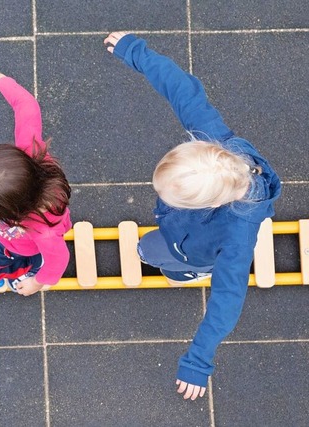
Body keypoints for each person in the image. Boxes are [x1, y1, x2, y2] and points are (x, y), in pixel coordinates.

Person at [104, 32, 281, 400]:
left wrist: (198, 362)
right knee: (148, 249)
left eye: (171, 197)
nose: (160, 197)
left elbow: (228, 298)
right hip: (182, 229)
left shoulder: (238, 233)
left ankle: (194, 269)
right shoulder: (213, 143)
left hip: (195, 248)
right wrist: (135, 52)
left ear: (207, 204)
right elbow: (183, 90)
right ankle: (179, 256)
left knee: (159, 258)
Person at [0, 63, 72, 296]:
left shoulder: (42, 231)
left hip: (17, 247)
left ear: (7, 211)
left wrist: (37, 283)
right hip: (11, 234)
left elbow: (59, 260)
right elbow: (26, 105)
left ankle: (27, 267)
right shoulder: (30, 151)